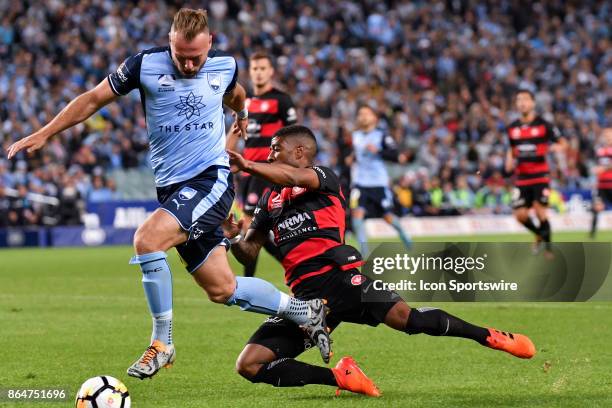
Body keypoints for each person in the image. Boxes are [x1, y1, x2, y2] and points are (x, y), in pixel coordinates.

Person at [6, 8, 331, 380]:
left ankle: (163, 343)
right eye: (182, 57)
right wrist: (46, 132)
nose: (190, 65)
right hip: (173, 189)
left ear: (210, 43)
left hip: (211, 180)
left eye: (197, 57)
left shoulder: (224, 65)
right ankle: (306, 311)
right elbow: (94, 98)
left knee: (147, 240)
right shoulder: (143, 65)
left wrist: (241, 113)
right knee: (222, 288)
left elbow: (236, 93)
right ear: (170, 44)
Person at [224, 125, 536, 397]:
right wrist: (232, 237)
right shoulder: (270, 200)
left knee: (408, 320)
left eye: (275, 150)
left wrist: (247, 165)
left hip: (342, 280)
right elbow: (250, 251)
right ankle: (341, 377)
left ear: (299, 152)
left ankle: (490, 337)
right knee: (249, 364)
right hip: (305, 301)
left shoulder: (323, 177)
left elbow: (293, 176)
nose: (268, 156)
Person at [230, 51, 297, 277]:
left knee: (252, 226)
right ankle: (288, 268)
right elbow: (236, 134)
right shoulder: (244, 102)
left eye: (262, 69)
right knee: (256, 228)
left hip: (267, 172)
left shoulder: (281, 100)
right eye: (255, 69)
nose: (258, 73)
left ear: (270, 72)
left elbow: (294, 137)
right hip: (248, 172)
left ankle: (249, 281)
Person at [505, 89, 566, 257]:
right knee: (520, 215)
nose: (522, 103)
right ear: (516, 104)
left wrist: (554, 147)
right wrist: (508, 160)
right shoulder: (512, 128)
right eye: (519, 100)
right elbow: (511, 148)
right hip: (522, 177)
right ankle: (539, 233)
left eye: (525, 99)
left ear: (532, 103)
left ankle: (549, 250)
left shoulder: (544, 124)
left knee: (540, 212)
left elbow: (563, 143)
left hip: (540, 175)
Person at [349, 105, 412, 256]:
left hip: (378, 183)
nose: (362, 116)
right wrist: (350, 158)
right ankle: (364, 253)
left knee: (388, 217)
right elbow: (356, 154)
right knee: (356, 216)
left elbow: (395, 155)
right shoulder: (355, 136)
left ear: (374, 119)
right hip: (360, 183)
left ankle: (405, 237)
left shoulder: (382, 136)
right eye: (360, 114)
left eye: (366, 114)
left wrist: (378, 151)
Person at [590, 127, 612, 238]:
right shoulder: (600, 150)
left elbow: (604, 167)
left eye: (609, 135)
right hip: (601, 184)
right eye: (606, 135)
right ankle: (592, 234)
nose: (607, 137)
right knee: (596, 207)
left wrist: (604, 168)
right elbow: (597, 166)